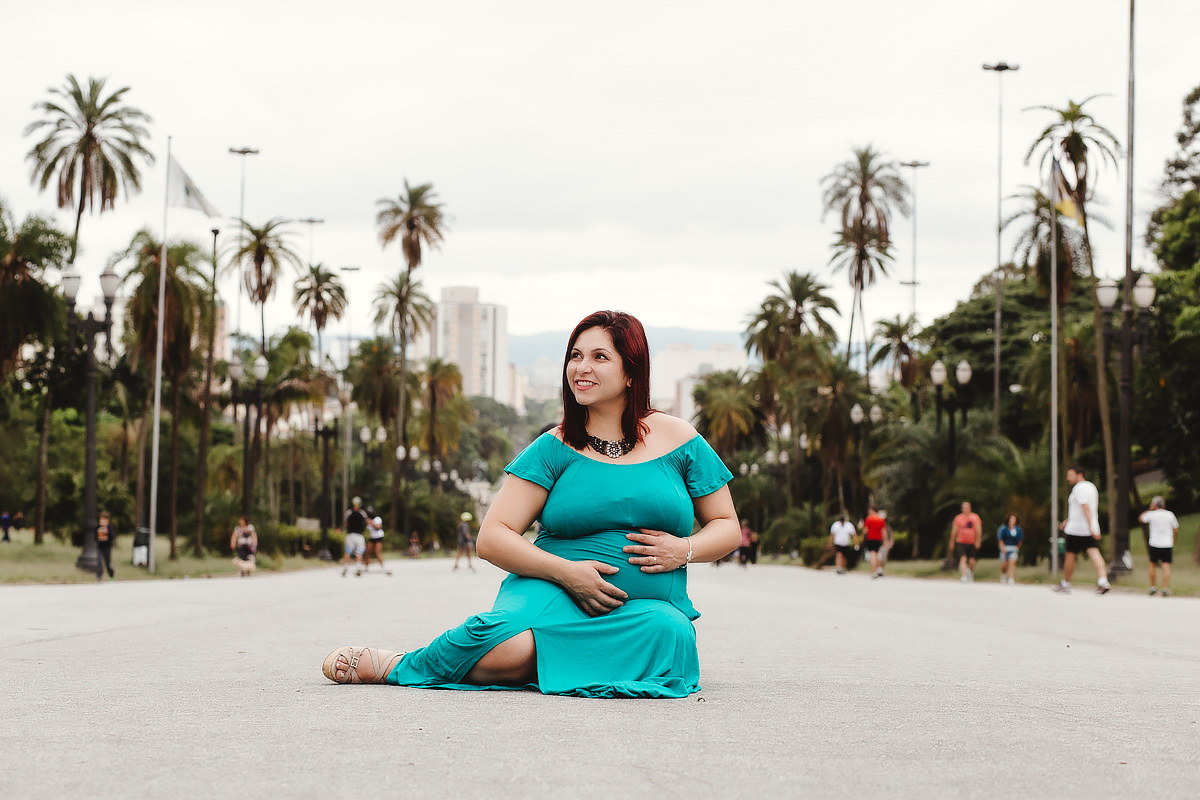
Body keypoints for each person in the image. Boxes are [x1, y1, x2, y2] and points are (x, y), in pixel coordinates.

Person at [321, 310, 740, 698]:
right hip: (551, 585)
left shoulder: (681, 440)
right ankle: (402, 664)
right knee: (508, 647)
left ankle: (554, 661)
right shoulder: (553, 447)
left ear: (632, 371)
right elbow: (492, 537)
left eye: (599, 357)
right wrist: (569, 574)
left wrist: (683, 549)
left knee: (671, 634)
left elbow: (726, 525)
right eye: (575, 356)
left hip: (642, 608)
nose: (582, 368)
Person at [1055, 465, 1111, 595]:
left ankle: (1066, 583)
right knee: (1094, 553)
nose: (1068, 478)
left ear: (1078, 474)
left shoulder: (1078, 488)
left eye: (1070, 475)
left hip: (1076, 530)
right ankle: (1103, 581)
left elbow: (1085, 507)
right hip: (1087, 527)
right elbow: (1081, 510)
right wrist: (1091, 527)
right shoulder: (1091, 487)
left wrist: (1089, 526)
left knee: (1070, 555)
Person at [1139, 495, 1180, 596]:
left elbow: (1141, 518)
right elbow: (1176, 529)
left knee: (1152, 564)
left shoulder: (1152, 514)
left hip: (1154, 543)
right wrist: (1173, 539)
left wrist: (1150, 509)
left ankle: (1153, 586)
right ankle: (1165, 588)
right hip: (1167, 544)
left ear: (1154, 505)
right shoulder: (1170, 515)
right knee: (1166, 566)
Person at [949, 501, 983, 582]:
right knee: (963, 558)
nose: (966, 509)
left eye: (967, 507)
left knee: (972, 561)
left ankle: (970, 573)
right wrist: (951, 542)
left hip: (972, 542)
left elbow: (978, 530)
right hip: (961, 541)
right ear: (961, 509)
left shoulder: (975, 517)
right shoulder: (958, 518)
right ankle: (964, 576)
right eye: (964, 507)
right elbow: (954, 531)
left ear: (970, 508)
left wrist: (978, 540)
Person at [342, 496, 368, 577]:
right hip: (359, 535)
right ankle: (358, 568)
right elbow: (366, 522)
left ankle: (346, 567)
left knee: (348, 551)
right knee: (359, 552)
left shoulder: (348, 513)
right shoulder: (363, 513)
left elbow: (345, 523)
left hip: (350, 535)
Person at [860, 507, 889, 578]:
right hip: (878, 539)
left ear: (872, 510)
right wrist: (885, 540)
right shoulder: (881, 519)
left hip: (870, 538)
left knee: (873, 555)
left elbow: (865, 530)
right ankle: (879, 569)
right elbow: (884, 531)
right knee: (878, 555)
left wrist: (863, 538)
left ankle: (874, 571)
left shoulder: (869, 519)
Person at [996, 513, 1023, 585]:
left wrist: (1017, 547)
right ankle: (1003, 575)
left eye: (1014, 519)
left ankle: (1011, 578)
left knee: (1012, 563)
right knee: (1004, 564)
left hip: (1013, 548)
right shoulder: (1003, 528)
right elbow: (1000, 539)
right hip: (1005, 547)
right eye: (1011, 519)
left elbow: (1020, 540)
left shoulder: (1018, 529)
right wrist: (1002, 547)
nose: (1013, 521)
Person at [95, 511, 115, 580]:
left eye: (104, 519)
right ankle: (99, 576)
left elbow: (112, 536)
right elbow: (95, 536)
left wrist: (107, 532)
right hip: (100, 547)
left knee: (108, 563)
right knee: (99, 561)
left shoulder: (109, 527)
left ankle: (111, 574)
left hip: (107, 547)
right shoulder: (98, 527)